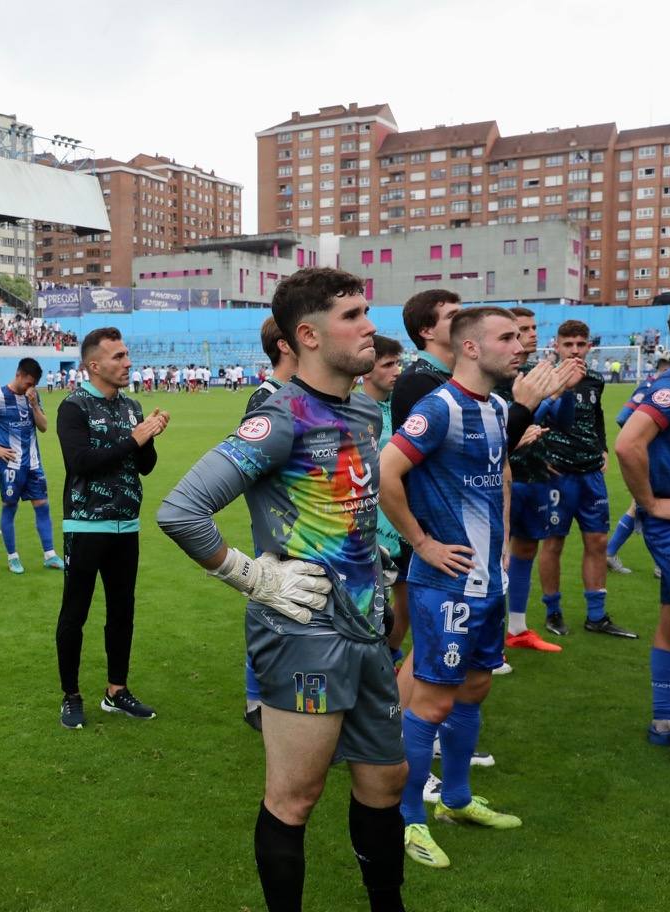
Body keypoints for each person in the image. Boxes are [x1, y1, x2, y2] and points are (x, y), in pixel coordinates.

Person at [158, 268, 407, 912]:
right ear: (309, 334)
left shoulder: (360, 408)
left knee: (387, 784)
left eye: (366, 311)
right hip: (304, 635)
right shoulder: (280, 418)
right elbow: (182, 510)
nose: (370, 327)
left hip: (366, 625)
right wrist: (255, 576)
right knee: (295, 797)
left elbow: (348, 503)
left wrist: (370, 558)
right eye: (353, 315)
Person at [380, 306, 526, 869]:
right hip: (447, 585)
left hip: (488, 580)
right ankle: (409, 817)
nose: (518, 345)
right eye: (506, 337)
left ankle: (458, 800)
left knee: (475, 689)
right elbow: (386, 469)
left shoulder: (495, 406)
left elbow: (495, 483)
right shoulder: (437, 407)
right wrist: (421, 542)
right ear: (470, 347)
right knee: (434, 701)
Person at [55, 327, 168, 729]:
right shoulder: (74, 407)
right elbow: (80, 463)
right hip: (86, 524)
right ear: (94, 365)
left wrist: (149, 436)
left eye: (126, 355)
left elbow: (145, 466)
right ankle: (70, 695)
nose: (127, 363)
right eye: (118, 357)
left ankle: (116, 691)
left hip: (126, 525)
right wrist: (134, 440)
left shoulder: (131, 405)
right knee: (76, 612)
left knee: (122, 610)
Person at [537, 320, 636, 638]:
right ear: (557, 346)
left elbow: (596, 417)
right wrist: (540, 457)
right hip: (558, 476)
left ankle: (597, 616)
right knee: (553, 543)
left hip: (591, 474)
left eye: (581, 344)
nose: (575, 350)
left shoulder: (594, 380)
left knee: (597, 541)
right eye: (569, 344)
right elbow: (527, 419)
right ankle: (553, 612)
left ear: (589, 346)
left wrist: (603, 447)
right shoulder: (544, 380)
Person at [615, 304, 670, 759]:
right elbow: (627, 441)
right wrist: (650, 501)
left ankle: (664, 719)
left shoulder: (662, 383)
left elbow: (623, 416)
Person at [500, 307, 582, 654]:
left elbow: (562, 422)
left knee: (526, 548)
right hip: (501, 478)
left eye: (534, 327)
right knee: (494, 556)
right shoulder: (494, 378)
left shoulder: (535, 372)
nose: (531, 334)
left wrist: (560, 392)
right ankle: (486, 637)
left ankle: (517, 628)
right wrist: (539, 404)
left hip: (533, 475)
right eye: (522, 329)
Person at [238, 316, 299, 732]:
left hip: (310, 527)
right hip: (282, 527)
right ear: (285, 345)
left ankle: (293, 698)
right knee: (271, 605)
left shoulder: (301, 393)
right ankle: (255, 700)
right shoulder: (266, 399)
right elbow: (251, 468)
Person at [0, 358, 62, 574]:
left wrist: (35, 404)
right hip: (10, 465)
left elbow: (45, 427)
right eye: (28, 382)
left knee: (42, 506)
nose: (30, 387)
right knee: (10, 508)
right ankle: (13, 557)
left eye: (34, 384)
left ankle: (50, 555)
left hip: (34, 464)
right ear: (18, 374)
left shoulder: (32, 397)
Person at [607, 347, 670, 575]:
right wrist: (648, 440)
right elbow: (624, 422)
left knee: (638, 507)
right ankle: (659, 563)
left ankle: (613, 551)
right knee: (646, 506)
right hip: (651, 465)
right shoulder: (657, 386)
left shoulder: (654, 384)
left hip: (651, 464)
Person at [363, 335, 408, 659]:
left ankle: (389, 657)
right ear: (366, 369)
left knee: (406, 601)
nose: (396, 371)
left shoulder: (406, 407)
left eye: (398, 363)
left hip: (404, 517)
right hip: (366, 524)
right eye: (387, 364)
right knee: (369, 606)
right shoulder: (353, 411)